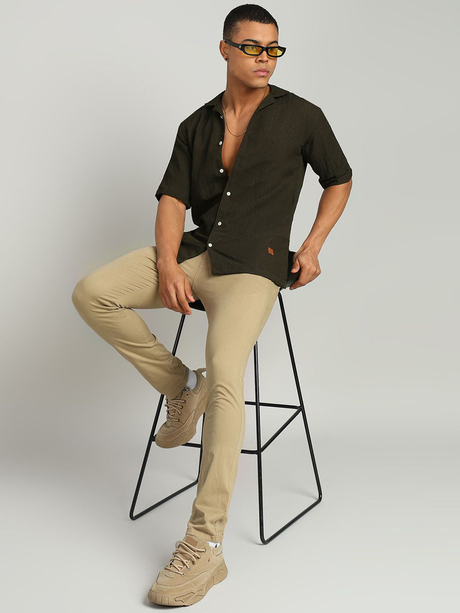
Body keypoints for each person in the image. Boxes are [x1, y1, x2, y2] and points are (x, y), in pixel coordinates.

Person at [71, 4, 353, 607]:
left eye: (273, 49)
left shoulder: (302, 116)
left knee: (228, 371)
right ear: (224, 49)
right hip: (197, 253)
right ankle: (181, 387)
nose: (264, 59)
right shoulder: (195, 124)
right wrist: (170, 264)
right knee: (93, 293)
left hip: (255, 266)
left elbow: (340, 178)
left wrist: (312, 246)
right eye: (252, 47)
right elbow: (173, 200)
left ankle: (205, 545)